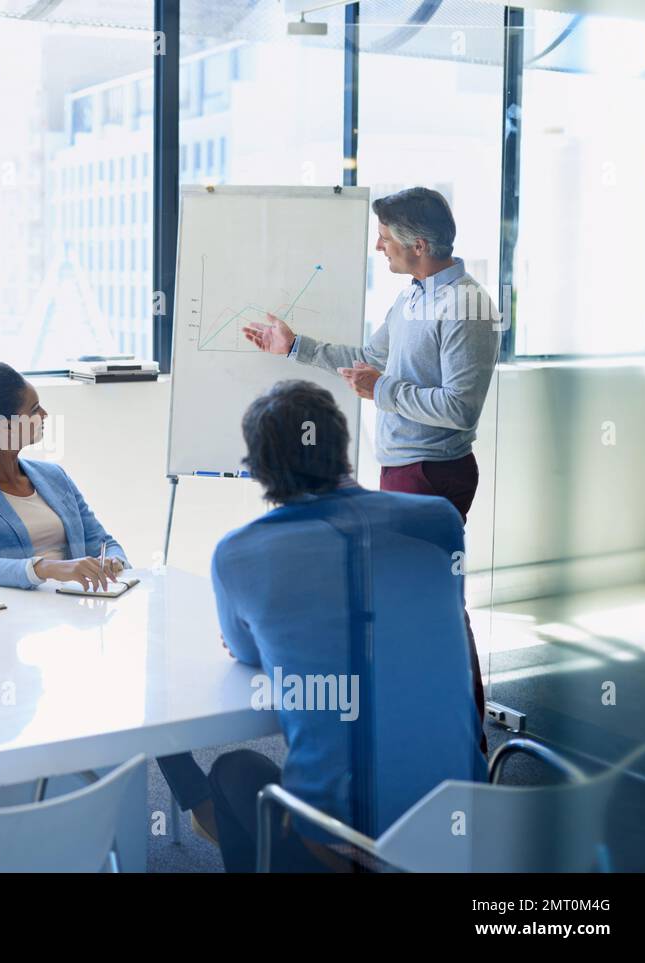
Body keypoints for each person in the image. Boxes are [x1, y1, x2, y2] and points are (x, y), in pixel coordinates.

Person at [167, 380, 485, 871]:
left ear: (259, 469)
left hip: (347, 846)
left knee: (234, 770)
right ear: (344, 446)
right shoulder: (440, 519)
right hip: (467, 827)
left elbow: (244, 651)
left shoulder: (239, 553)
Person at [243, 186, 499, 750]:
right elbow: (371, 361)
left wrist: (382, 390)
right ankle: (424, 727)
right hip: (402, 467)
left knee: (435, 605)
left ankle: (465, 736)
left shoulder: (467, 306)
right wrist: (294, 347)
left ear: (420, 243)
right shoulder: (413, 296)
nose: (379, 246)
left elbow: (460, 408)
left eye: (385, 238)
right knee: (406, 602)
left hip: (433, 472)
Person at [0, 361, 127, 592]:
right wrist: (48, 568)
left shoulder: (55, 476)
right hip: (13, 618)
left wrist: (114, 561)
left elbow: (104, 543)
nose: (45, 414)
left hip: (76, 610)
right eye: (34, 409)